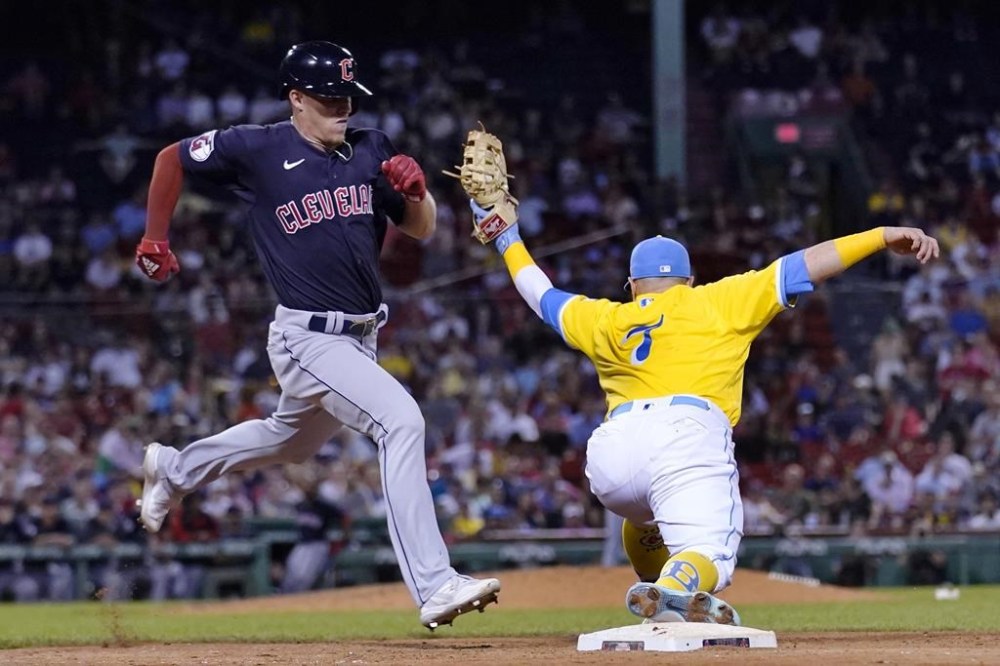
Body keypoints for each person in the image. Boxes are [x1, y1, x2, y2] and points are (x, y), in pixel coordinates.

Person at [133, 41, 500, 629]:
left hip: (360, 337)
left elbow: (422, 230)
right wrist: (156, 237)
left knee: (292, 441)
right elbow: (170, 159)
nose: (342, 109)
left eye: (348, 98)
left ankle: (175, 470)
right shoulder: (256, 148)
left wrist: (418, 193)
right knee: (401, 421)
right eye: (329, 98)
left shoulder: (371, 148)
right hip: (308, 335)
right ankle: (434, 584)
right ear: (296, 98)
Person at [474, 196, 939, 625]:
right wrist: (880, 235)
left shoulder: (606, 317)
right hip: (686, 434)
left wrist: (506, 238)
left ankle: (665, 608)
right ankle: (676, 584)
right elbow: (808, 264)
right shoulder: (718, 300)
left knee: (645, 518)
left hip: (612, 457)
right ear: (689, 281)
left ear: (633, 286)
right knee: (713, 554)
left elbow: (540, 294)